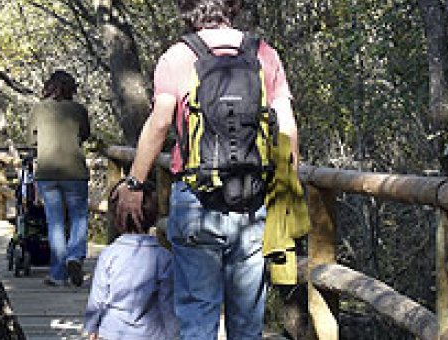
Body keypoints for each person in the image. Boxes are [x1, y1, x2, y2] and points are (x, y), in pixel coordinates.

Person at [112, 0, 299, 338]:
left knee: (198, 316)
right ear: (234, 7)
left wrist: (134, 184)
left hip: (196, 201)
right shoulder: (264, 53)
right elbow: (287, 129)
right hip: (250, 201)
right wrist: (285, 191)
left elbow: (159, 124)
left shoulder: (177, 57)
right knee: (247, 320)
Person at [84, 184, 178, 340]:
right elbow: (167, 302)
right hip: (151, 333)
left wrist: (91, 327)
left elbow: (98, 298)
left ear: (115, 218)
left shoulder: (109, 254)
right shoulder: (164, 256)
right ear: (154, 217)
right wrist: (173, 333)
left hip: (112, 331)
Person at [28, 70, 90, 287]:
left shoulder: (39, 109)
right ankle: (75, 256)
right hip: (75, 172)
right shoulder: (79, 110)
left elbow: (31, 139)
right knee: (78, 218)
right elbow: (85, 134)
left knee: (55, 222)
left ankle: (58, 274)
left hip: (47, 172)